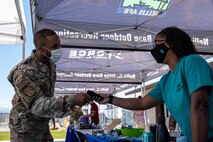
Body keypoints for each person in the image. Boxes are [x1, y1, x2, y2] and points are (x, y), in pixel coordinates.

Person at [92, 27, 213, 142]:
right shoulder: (165, 81)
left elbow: (200, 105)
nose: (154, 49)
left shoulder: (192, 62)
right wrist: (110, 99)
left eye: (157, 43)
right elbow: (142, 103)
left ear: (171, 43)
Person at [7, 29, 90, 142]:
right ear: (41, 49)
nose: (59, 49)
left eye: (60, 44)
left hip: (42, 125)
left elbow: (48, 98)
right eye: (55, 46)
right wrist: (72, 100)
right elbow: (37, 105)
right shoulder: (23, 71)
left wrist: (74, 108)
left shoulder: (50, 65)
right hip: (25, 131)